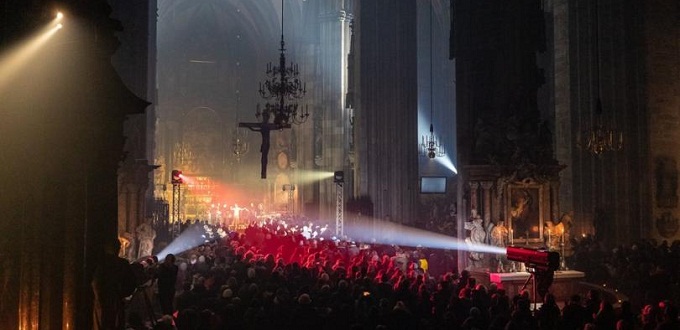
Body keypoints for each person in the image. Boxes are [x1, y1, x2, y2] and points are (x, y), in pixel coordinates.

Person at [92, 238, 137, 330]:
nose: (119, 248)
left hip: (104, 301)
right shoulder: (122, 264)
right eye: (118, 246)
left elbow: (95, 283)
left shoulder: (101, 263)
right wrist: (122, 294)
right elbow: (132, 283)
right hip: (114, 300)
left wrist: (99, 297)